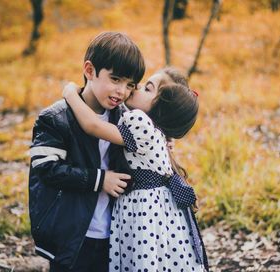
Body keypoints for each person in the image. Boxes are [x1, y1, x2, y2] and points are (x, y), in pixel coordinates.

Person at [63, 67, 208, 271]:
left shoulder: (139, 120)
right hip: (159, 213)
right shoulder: (156, 130)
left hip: (142, 212)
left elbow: (93, 125)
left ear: (160, 108)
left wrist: (71, 93)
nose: (137, 87)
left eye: (147, 89)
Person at [28, 31, 145, 271]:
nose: (122, 91)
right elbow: (45, 168)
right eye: (115, 79)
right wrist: (99, 180)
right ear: (90, 71)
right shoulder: (56, 118)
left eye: (129, 85)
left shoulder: (124, 119)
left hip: (115, 232)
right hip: (72, 233)